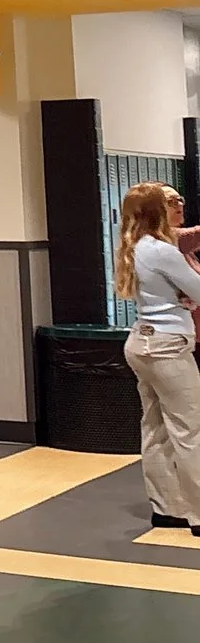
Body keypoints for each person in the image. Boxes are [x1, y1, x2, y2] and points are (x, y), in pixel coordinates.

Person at [115, 181, 200, 528]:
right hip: (168, 346)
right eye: (171, 201)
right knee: (190, 429)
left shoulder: (132, 246)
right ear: (156, 211)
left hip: (141, 343)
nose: (178, 205)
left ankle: (167, 507)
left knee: (155, 427)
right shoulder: (163, 251)